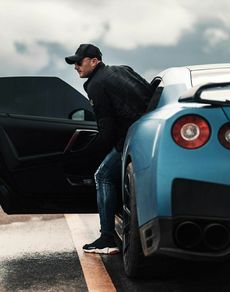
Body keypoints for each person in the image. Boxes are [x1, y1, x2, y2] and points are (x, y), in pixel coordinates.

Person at [65, 44, 153, 254]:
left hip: (130, 139)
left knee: (102, 176)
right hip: (150, 134)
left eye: (80, 62)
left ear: (94, 61)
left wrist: (87, 154)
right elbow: (150, 94)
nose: (76, 67)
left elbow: (107, 129)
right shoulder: (123, 69)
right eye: (74, 63)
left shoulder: (96, 84)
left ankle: (106, 238)